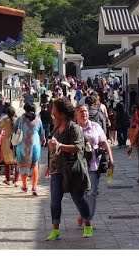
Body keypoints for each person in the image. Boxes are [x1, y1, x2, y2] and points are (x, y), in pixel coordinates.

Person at [45, 97, 94, 241]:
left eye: (55, 113)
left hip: (72, 170)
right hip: (56, 169)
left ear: (62, 114)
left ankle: (87, 224)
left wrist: (60, 146)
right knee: (55, 200)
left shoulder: (74, 128)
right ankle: (55, 230)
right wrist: (48, 165)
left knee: (78, 198)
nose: (53, 116)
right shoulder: (55, 128)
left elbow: (79, 147)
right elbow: (52, 149)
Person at [75, 102, 109, 218]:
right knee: (80, 193)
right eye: (81, 112)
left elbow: (104, 142)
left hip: (93, 164)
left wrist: (111, 158)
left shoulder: (95, 126)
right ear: (76, 114)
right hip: (78, 165)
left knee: (92, 192)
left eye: (85, 111)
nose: (84, 113)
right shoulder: (74, 128)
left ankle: (87, 219)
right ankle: (83, 212)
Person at [14, 102, 41, 195]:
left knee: (22, 164)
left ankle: (25, 186)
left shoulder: (21, 119)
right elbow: (42, 133)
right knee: (35, 164)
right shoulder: (38, 119)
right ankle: (34, 187)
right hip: (35, 144)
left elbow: (15, 128)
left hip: (22, 144)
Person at [0, 102, 16, 184]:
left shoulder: (4, 120)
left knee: (7, 162)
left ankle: (8, 180)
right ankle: (16, 180)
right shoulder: (17, 120)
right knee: (16, 161)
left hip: (6, 141)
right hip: (15, 141)